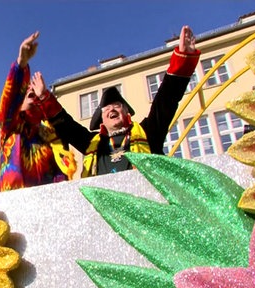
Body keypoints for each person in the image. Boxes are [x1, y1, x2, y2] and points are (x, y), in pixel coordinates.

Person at [37, 25, 201, 176]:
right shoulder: (92, 143)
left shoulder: (148, 132)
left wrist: (184, 57)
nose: (111, 109)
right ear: (101, 119)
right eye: (106, 108)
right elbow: (66, 125)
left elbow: (166, 100)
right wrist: (44, 96)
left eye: (117, 105)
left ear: (127, 112)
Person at [0, 31, 77, 191]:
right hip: (14, 202)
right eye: (29, 94)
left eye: (36, 96)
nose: (33, 97)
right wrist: (21, 64)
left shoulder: (51, 135)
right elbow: (9, 100)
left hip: (48, 202)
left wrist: (45, 96)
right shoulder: (11, 127)